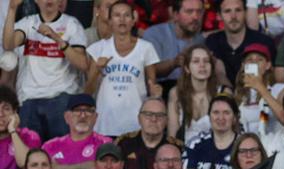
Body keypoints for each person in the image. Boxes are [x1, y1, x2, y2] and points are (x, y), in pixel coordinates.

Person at [3, 0, 89, 141]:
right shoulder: (28, 23)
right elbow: (8, 45)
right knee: (29, 152)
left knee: (60, 152)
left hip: (61, 98)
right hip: (29, 99)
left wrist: (57, 38)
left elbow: (83, 64)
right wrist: (12, 9)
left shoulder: (72, 24)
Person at [84, 0, 160, 138]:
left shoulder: (146, 48)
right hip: (105, 123)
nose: (122, 19)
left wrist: (156, 92)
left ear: (133, 20)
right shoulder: (98, 48)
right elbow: (88, 92)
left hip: (136, 123)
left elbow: (152, 88)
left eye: (126, 15)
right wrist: (97, 70)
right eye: (117, 15)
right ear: (110, 21)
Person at [42, 95, 113, 169]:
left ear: (95, 117)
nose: (83, 115)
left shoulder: (105, 143)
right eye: (77, 110)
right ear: (67, 117)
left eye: (88, 111)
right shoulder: (50, 146)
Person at [117, 99, 183, 169]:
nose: (154, 119)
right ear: (139, 118)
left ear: (166, 121)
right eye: (148, 114)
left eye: (159, 115)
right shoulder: (123, 144)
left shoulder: (177, 148)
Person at [205, 0, 276, 86]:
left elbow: (273, 79)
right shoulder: (212, 41)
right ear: (219, 16)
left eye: (238, 10)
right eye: (227, 11)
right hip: (221, 93)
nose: (233, 16)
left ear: (245, 12)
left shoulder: (263, 42)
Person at [167, 45, 226, 143]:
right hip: (184, 149)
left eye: (206, 61)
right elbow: (172, 136)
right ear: (187, 68)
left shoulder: (223, 93)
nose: (202, 65)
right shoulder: (176, 93)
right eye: (196, 61)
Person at [181, 94, 238, 169]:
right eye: (216, 112)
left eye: (226, 113)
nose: (221, 117)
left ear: (235, 117)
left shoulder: (243, 145)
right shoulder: (195, 144)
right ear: (209, 116)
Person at [144, 0, 206, 85]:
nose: (195, 17)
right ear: (175, 15)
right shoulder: (155, 34)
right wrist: (174, 63)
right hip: (162, 89)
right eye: (189, 11)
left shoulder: (200, 40)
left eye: (199, 12)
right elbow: (149, 70)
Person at [233, 44, 284, 136]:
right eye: (250, 60)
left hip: (273, 142)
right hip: (246, 142)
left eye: (259, 59)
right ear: (243, 65)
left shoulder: (279, 89)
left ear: (268, 65)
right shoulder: (238, 93)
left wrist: (260, 87)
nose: (254, 63)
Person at [0, 86, 43, 169]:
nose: (1, 114)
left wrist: (12, 131)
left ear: (15, 112)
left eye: (6, 109)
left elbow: (25, 162)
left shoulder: (28, 136)